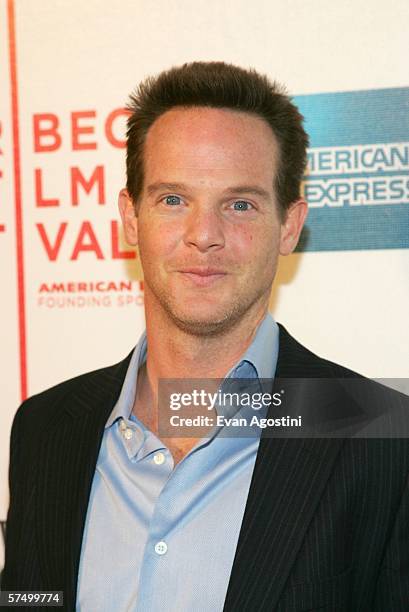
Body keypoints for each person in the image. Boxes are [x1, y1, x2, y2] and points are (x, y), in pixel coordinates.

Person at [2, 62, 408, 611]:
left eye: (240, 204)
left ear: (289, 225)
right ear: (130, 217)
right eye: (173, 199)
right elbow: (32, 600)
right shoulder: (46, 428)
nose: (203, 236)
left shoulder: (381, 438)